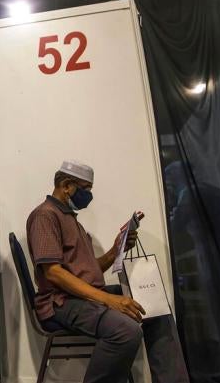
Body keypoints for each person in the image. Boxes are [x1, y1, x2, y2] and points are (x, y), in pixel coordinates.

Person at [26, 160, 190, 383]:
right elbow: (54, 273)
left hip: (82, 297)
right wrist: (109, 299)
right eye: (85, 190)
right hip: (62, 302)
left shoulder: (70, 219)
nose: (88, 197)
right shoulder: (45, 216)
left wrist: (116, 250)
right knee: (126, 331)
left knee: (154, 306)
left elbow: (86, 270)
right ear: (66, 185)